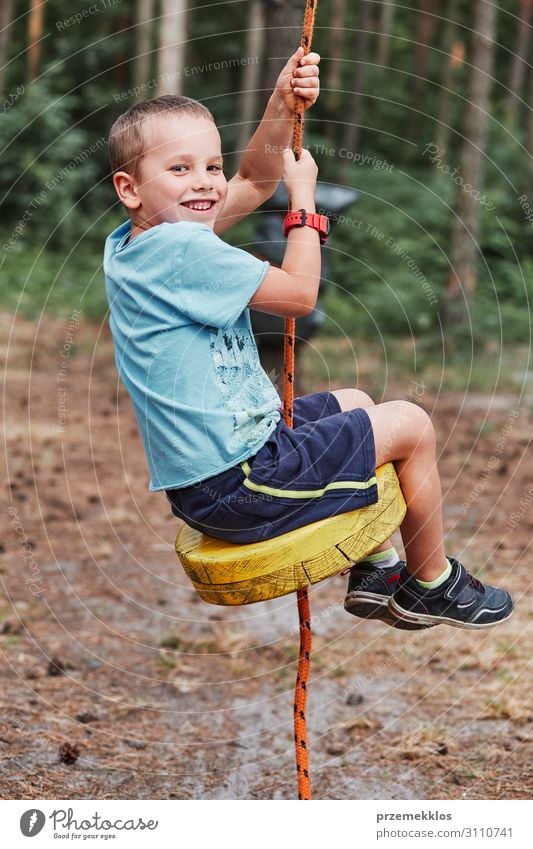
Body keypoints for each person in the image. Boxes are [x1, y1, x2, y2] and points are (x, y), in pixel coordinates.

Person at [103, 48, 513, 631]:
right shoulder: (183, 247)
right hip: (239, 483)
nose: (206, 183)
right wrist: (305, 201)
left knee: (355, 402)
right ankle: (432, 583)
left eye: (211, 167)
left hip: (223, 471)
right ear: (130, 188)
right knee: (411, 424)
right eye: (180, 169)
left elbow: (252, 179)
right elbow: (299, 295)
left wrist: (280, 104)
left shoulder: (137, 243)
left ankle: (375, 571)